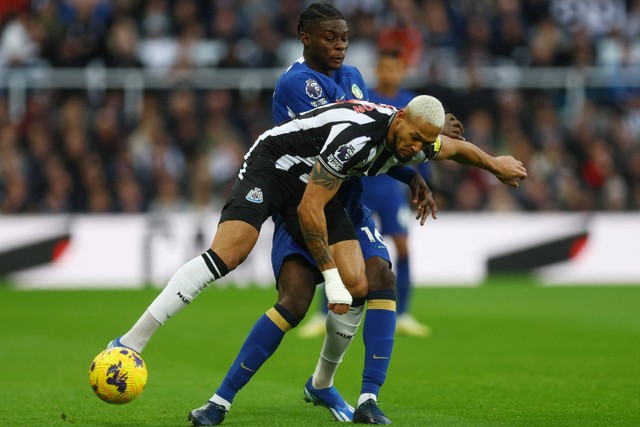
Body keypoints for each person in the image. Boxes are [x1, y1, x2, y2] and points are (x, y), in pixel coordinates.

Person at [190, 4, 464, 425]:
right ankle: (220, 400)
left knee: (378, 277)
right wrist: (416, 158)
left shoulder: (354, 78)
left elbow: (375, 136)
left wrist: (410, 174)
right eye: (331, 38)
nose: (340, 46)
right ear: (306, 37)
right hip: (303, 202)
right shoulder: (298, 83)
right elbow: (343, 135)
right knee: (294, 301)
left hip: (348, 203)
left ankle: (366, 397)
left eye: (344, 39)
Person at [361, 49, 436, 337]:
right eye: (385, 68)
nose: (389, 73)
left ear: (402, 71)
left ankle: (403, 313)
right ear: (378, 69)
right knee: (346, 250)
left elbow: (424, 149)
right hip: (362, 185)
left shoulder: (413, 104)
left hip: (392, 188)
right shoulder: (365, 98)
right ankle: (323, 312)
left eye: (395, 68)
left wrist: (422, 184)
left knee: (403, 248)